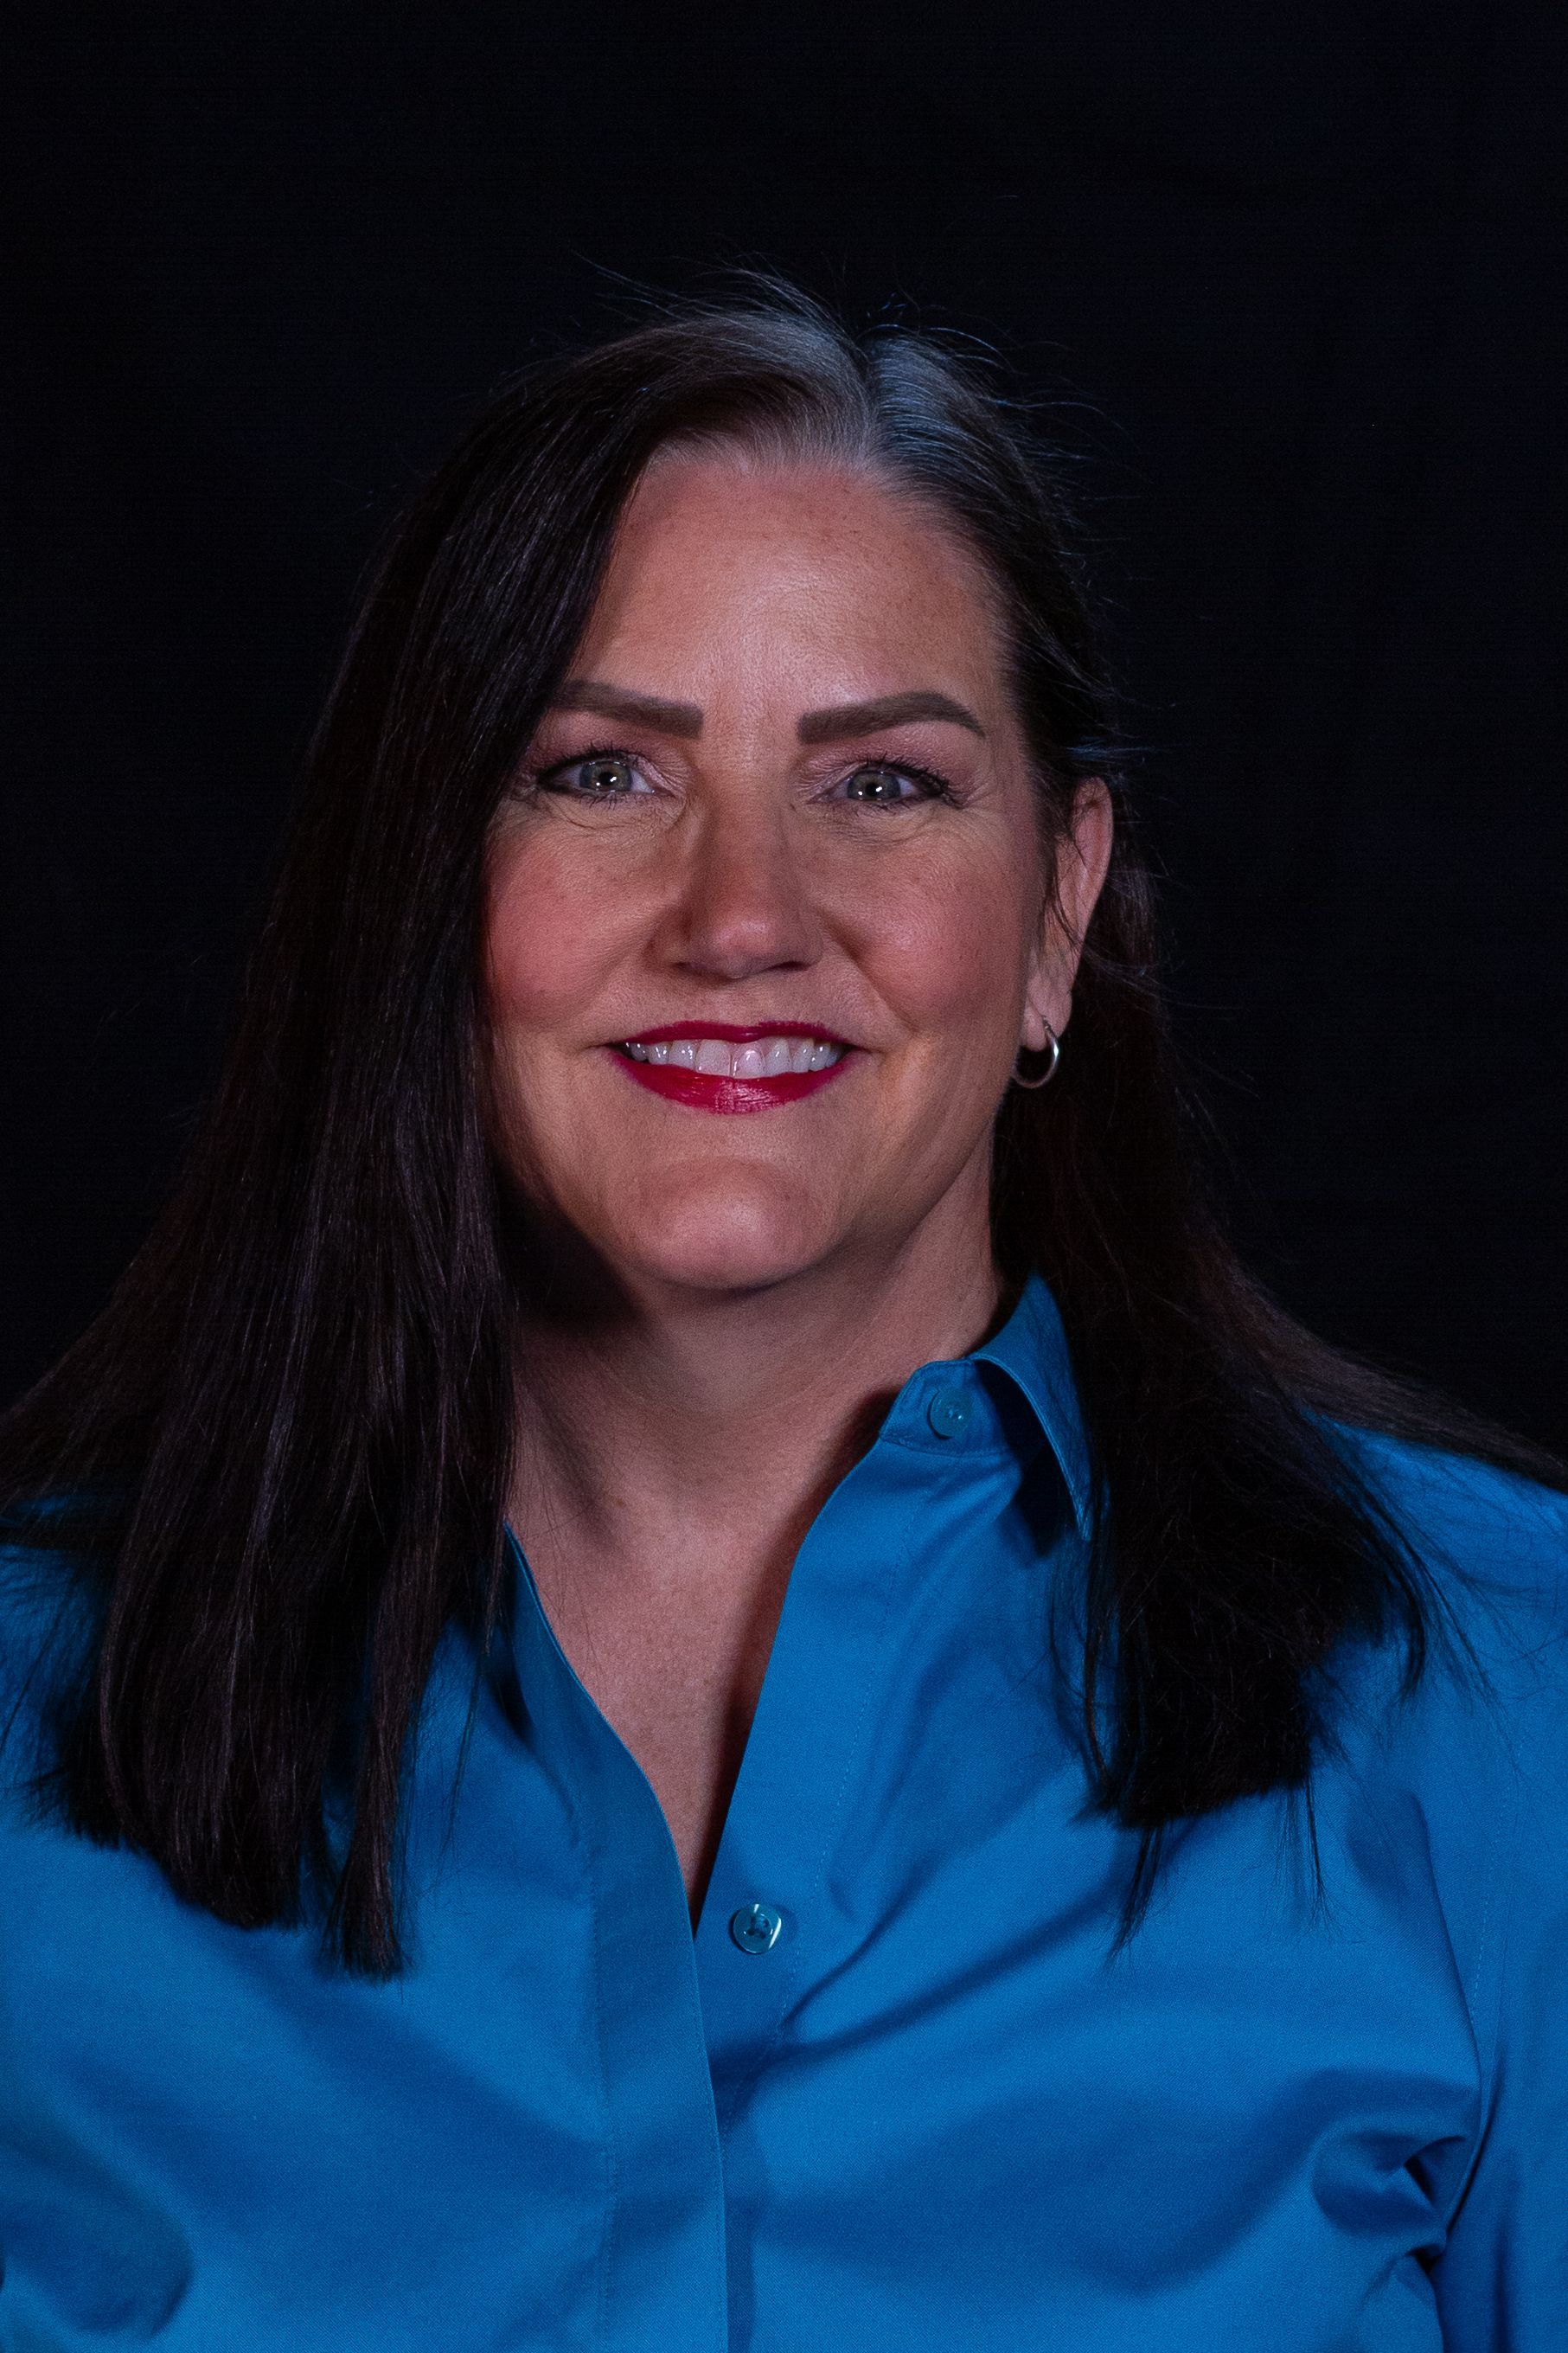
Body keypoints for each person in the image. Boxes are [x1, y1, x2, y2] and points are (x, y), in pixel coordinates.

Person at [1, 285, 1564, 2350]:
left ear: (1059, 908)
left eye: (885, 785)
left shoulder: (1501, 1703)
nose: (742, 916)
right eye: (597, 772)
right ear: (423, 894)